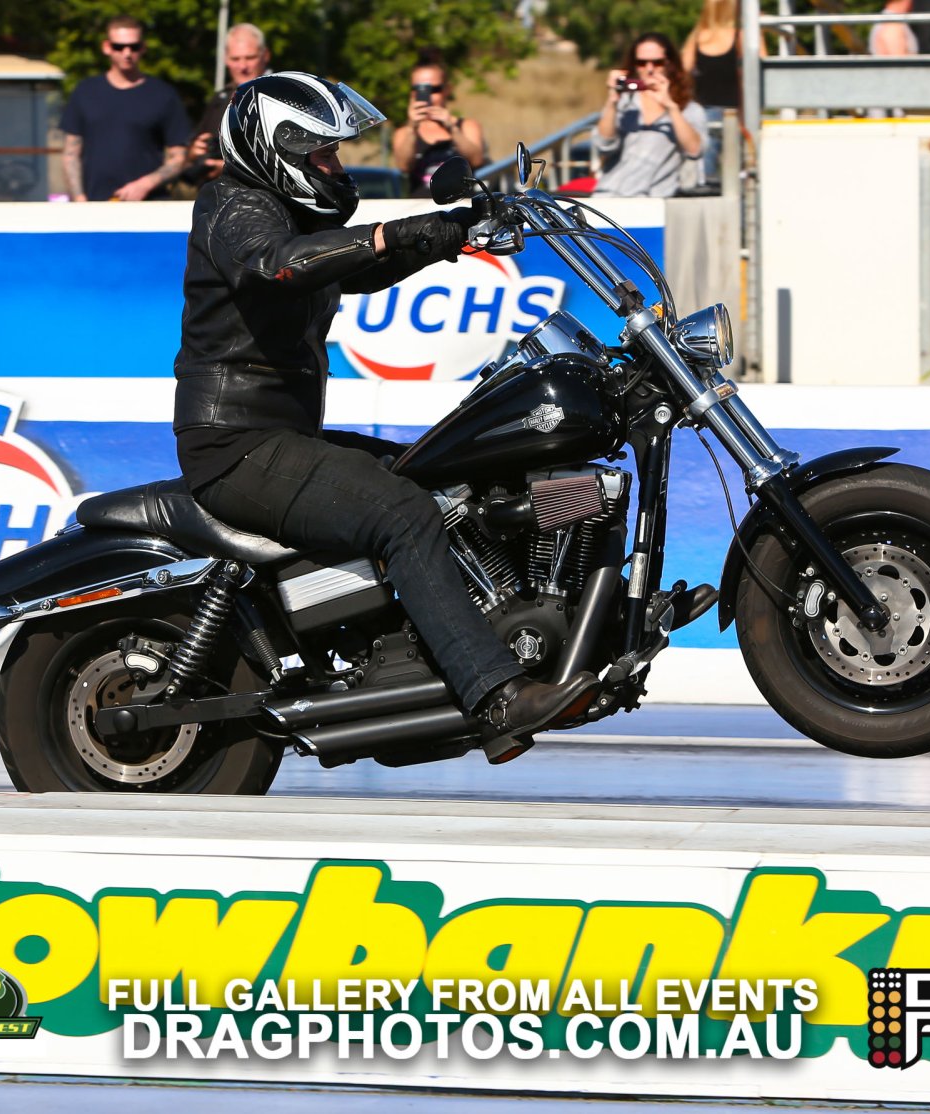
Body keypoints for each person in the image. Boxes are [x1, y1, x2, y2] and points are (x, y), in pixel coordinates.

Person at [175, 72, 599, 750]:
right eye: (322, 155)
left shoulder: (292, 217)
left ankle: (428, 667)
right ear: (276, 147)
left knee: (444, 482)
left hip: (278, 439)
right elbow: (278, 265)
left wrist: (455, 231)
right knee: (402, 513)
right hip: (237, 447)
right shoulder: (234, 206)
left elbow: (355, 267)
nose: (335, 167)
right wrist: (391, 232)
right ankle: (497, 697)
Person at [60, 14, 192, 201]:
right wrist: (80, 199)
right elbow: (70, 154)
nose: (127, 53)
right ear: (107, 47)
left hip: (150, 207)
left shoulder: (163, 94)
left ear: (143, 47)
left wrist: (145, 184)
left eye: (134, 47)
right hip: (96, 205)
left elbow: (179, 157)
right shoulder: (85, 91)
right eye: (119, 47)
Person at [593, 32, 708, 198]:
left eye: (657, 62)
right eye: (641, 63)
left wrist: (670, 107)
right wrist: (612, 101)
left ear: (670, 63)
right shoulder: (625, 103)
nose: (649, 69)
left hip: (653, 203)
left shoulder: (689, 109)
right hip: (609, 196)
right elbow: (603, 145)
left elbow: (695, 150)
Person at [181, 22, 271, 189]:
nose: (242, 66)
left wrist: (227, 167)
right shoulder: (220, 98)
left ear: (265, 55)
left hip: (262, 199)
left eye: (250, 58)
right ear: (225, 59)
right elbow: (198, 143)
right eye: (235, 59)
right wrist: (194, 152)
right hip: (218, 198)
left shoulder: (279, 96)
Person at [682, 0, 762, 183]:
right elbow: (762, 66)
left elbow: (681, 72)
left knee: (706, 170)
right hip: (736, 112)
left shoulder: (697, 38)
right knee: (743, 168)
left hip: (704, 112)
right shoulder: (741, 36)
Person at [391, 52, 487, 198]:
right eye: (419, 90)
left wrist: (451, 127)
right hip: (419, 209)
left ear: (447, 89)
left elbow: (476, 159)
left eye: (434, 90)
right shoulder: (404, 132)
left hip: (462, 207)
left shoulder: (466, 126)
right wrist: (412, 128)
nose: (427, 96)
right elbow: (403, 166)